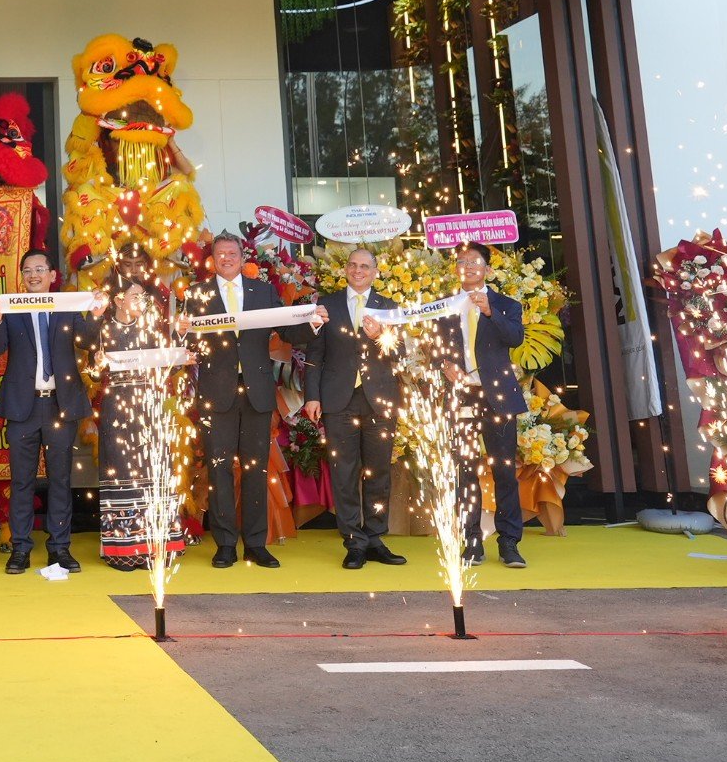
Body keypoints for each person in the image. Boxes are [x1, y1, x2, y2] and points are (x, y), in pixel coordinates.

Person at [0, 248, 93, 574]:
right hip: (22, 406)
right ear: (22, 276)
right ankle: (20, 549)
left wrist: (96, 314)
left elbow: (87, 341)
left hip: (60, 404)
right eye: (28, 270)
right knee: (21, 482)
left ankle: (60, 548)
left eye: (40, 269)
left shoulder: (67, 305)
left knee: (60, 480)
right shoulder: (12, 306)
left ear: (52, 275)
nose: (33, 275)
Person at [302, 244, 406, 569]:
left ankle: (375, 538)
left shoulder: (389, 307)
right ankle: (354, 542)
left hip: (379, 399)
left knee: (379, 472)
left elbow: (400, 354)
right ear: (346, 269)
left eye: (364, 266)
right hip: (338, 399)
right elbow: (315, 355)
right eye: (353, 265)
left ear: (375, 272)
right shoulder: (327, 305)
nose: (358, 271)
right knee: (344, 472)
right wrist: (312, 396)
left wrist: (381, 336)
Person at [424, 241, 528, 569]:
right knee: (464, 471)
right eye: (461, 261)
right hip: (461, 396)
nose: (467, 266)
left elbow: (515, 338)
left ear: (488, 270)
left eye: (474, 261)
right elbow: (432, 346)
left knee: (505, 471)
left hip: (498, 396)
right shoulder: (444, 305)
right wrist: (445, 364)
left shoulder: (506, 304)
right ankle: (471, 541)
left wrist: (489, 311)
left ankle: (509, 542)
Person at [190, 233, 283, 570]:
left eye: (232, 252)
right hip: (217, 393)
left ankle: (256, 544)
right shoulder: (197, 294)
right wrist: (182, 332)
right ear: (212, 259)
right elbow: (187, 340)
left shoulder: (264, 292)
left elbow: (288, 328)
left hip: (257, 392)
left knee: (256, 469)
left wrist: (312, 320)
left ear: (243, 258)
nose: (227, 258)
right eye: (221, 253)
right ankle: (226, 544)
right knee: (219, 469)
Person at [95, 259, 186, 572]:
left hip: (150, 407)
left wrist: (181, 343)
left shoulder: (151, 328)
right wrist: (96, 364)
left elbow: (171, 365)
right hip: (116, 409)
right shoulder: (102, 329)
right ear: (119, 299)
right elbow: (92, 373)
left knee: (153, 472)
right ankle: (123, 549)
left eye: (143, 297)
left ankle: (155, 548)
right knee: (121, 475)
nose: (142, 301)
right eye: (136, 296)